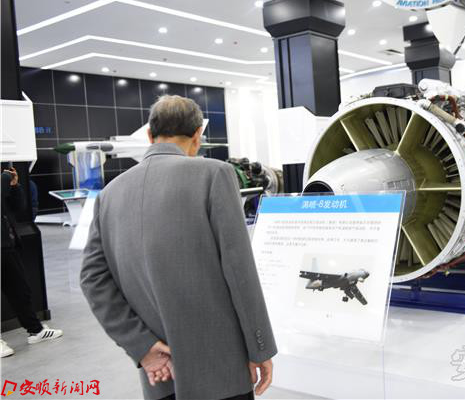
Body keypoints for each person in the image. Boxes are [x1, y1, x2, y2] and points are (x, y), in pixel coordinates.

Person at [80, 95, 276, 400]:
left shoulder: (109, 194)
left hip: (160, 370)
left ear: (150, 135)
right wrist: (259, 346)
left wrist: (142, 346)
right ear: (197, 135)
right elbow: (239, 271)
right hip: (221, 367)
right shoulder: (214, 174)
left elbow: (92, 278)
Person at [1, 165, 63, 358]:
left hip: (6, 244)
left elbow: (17, 207)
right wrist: (4, 179)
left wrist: (14, 186)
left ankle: (36, 330)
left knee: (20, 290)